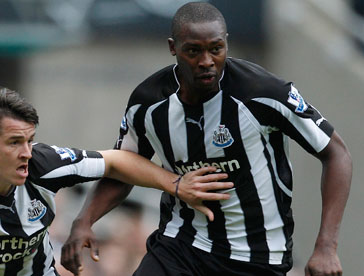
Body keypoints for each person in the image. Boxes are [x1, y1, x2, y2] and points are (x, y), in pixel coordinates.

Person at [60, 2, 352, 276]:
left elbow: (336, 153)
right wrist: (84, 220)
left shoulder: (264, 93)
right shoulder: (148, 103)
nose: (206, 61)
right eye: (193, 51)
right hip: (181, 245)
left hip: (257, 256)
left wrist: (326, 246)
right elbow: (124, 167)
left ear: (225, 42)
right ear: (173, 48)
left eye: (216, 49)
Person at [0, 85, 233, 276]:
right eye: (14, 143)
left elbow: (114, 161)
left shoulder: (43, 164)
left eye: (30, 140)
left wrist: (175, 184)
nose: (27, 153)